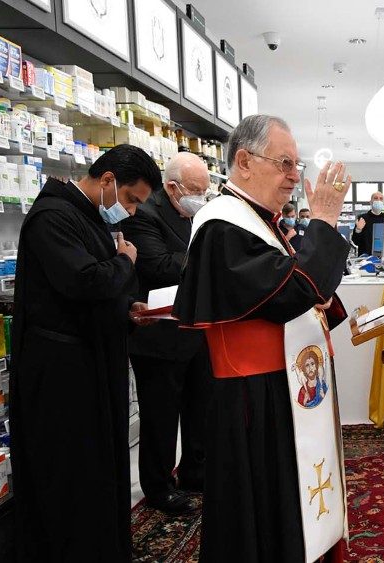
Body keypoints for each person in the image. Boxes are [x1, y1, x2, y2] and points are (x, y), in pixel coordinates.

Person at [173, 115, 350, 562]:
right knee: (262, 512)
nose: (294, 175)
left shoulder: (261, 221)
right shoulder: (222, 225)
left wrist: (320, 303)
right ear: (245, 161)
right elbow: (288, 290)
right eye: (285, 162)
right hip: (253, 396)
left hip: (283, 386)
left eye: (297, 163)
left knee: (289, 502)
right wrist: (324, 221)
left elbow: (295, 290)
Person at [10, 144, 159, 560]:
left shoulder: (85, 217)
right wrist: (126, 262)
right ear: (108, 179)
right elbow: (86, 282)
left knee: (99, 472)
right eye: (130, 199)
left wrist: (127, 310)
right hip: (63, 374)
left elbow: (93, 296)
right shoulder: (52, 217)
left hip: (90, 363)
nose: (130, 211)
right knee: (73, 477)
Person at [121, 152, 213, 515]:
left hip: (194, 329)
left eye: (205, 191)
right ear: (172, 187)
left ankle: (195, 469)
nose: (201, 197)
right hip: (157, 334)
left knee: (199, 405)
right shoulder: (145, 214)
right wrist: (207, 257)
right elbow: (159, 265)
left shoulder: (195, 213)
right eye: (195, 190)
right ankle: (158, 486)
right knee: (160, 417)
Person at [352, 191, 384, 255]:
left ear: (383, 202)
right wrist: (358, 230)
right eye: (376, 198)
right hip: (365, 258)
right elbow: (356, 242)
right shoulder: (362, 218)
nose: (378, 200)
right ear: (370, 202)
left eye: (381, 199)